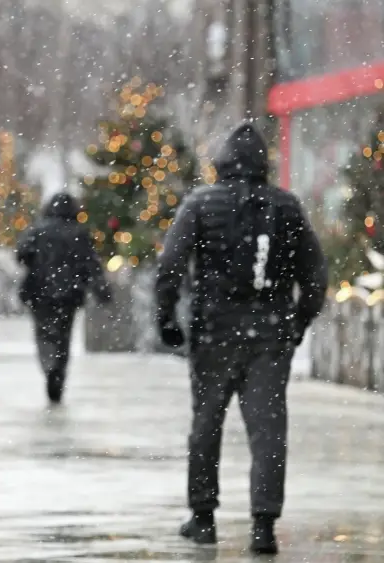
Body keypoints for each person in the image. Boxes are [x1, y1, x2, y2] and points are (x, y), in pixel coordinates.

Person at [155, 122, 328, 554]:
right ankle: (264, 525)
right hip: (270, 335)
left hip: (214, 332)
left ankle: (203, 517)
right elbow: (316, 275)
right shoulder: (287, 207)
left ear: (223, 163)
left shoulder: (200, 204)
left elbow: (170, 266)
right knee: (268, 428)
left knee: (206, 424)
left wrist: (168, 319)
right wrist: (298, 321)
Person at [16, 192, 112, 404]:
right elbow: (91, 264)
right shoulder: (79, 233)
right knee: (63, 336)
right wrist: (101, 289)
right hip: (68, 294)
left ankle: (48, 365)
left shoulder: (38, 230)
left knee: (43, 333)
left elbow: (22, 254)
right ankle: (58, 369)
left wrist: (37, 263)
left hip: (40, 292)